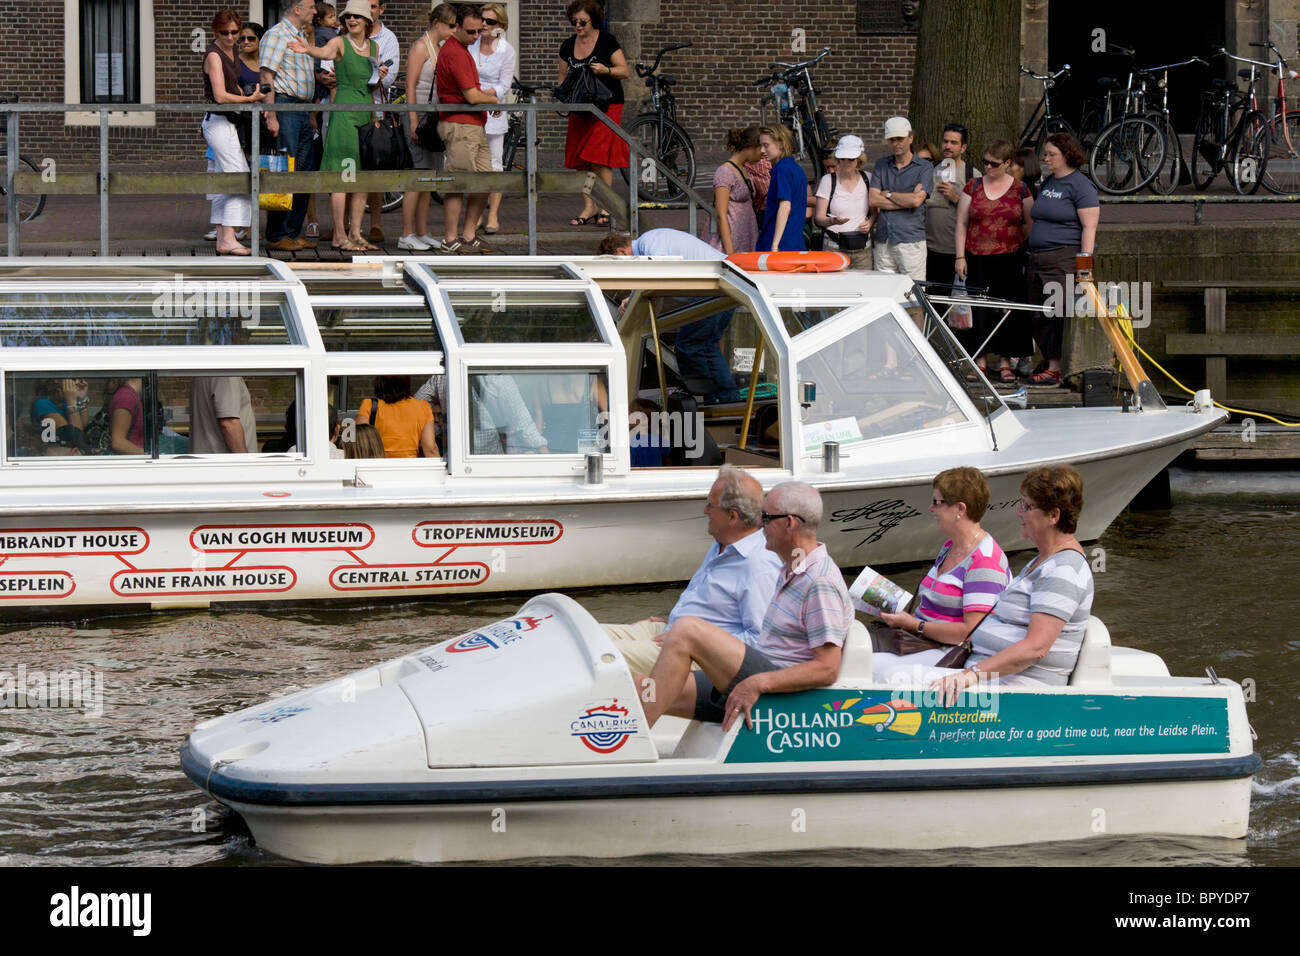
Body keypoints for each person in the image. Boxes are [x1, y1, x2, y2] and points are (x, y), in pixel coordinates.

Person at [636, 481, 854, 731]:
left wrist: (759, 683)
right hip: (761, 672)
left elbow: (827, 668)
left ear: (789, 523)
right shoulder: (791, 568)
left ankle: (632, 749)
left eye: (766, 517)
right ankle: (628, 748)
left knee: (686, 631)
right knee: (642, 686)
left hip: (779, 693)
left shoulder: (819, 582)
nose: (760, 525)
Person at [929, 464, 1095, 704]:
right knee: (883, 670)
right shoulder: (1041, 561)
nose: (1019, 513)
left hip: (1019, 692)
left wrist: (969, 676)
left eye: (1027, 506)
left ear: (1053, 516)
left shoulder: (1064, 570)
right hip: (992, 680)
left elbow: (1035, 648)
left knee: (891, 680)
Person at [602, 465, 782, 671]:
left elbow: (761, 641)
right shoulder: (722, 544)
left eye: (710, 506)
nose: (705, 511)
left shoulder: (758, 564)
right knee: (584, 633)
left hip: (697, 653)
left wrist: (693, 638)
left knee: (601, 654)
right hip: (672, 631)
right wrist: (676, 621)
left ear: (732, 517)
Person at [870, 467, 1010, 680]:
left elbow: (971, 632)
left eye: (937, 502)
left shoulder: (985, 561)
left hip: (949, 654)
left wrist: (914, 625)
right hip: (921, 641)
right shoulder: (949, 547)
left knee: (869, 668)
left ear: (960, 509)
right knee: (852, 651)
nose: (931, 508)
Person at [289, 0, 387, 253]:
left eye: (357, 16)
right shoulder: (339, 42)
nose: (351, 20)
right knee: (344, 176)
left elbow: (370, 83)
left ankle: (355, 233)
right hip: (344, 116)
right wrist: (307, 49)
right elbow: (324, 54)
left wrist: (380, 76)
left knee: (362, 177)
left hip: (366, 114)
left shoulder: (374, 47)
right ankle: (339, 235)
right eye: (348, 17)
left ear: (367, 21)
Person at [599, 229, 741, 404]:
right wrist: (634, 296)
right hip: (726, 285)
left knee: (688, 345)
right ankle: (727, 397)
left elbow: (660, 270)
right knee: (706, 345)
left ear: (620, 253)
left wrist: (633, 296)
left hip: (716, 287)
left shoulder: (648, 243)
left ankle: (714, 396)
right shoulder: (652, 240)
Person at [955, 138, 1034, 384]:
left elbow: (1029, 221)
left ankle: (1004, 361)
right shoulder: (973, 186)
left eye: (994, 164)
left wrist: (1019, 243)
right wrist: (959, 256)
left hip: (1009, 258)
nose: (988, 167)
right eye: (985, 162)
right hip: (976, 256)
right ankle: (979, 359)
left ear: (1007, 163)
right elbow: (961, 223)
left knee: (1006, 310)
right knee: (980, 310)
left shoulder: (1020, 189)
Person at [1026, 133, 1099, 386]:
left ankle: (1060, 367)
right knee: (1038, 313)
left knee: (1060, 314)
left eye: (1051, 154)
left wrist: (1084, 267)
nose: (1045, 159)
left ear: (1066, 155)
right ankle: (1050, 361)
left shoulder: (1080, 186)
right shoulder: (1048, 183)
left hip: (1064, 259)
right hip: (1038, 259)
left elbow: (1089, 227)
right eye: (1045, 154)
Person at [557, 0, 629, 227]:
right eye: (574, 21)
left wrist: (606, 70)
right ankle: (590, 207)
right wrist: (562, 100)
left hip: (607, 105)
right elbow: (562, 79)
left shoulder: (607, 41)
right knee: (581, 160)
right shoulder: (568, 46)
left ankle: (606, 205)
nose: (577, 26)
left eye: (582, 22)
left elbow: (624, 71)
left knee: (598, 156)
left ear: (594, 20)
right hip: (580, 108)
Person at [203, 8, 267, 256]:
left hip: (227, 121)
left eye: (234, 33)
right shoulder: (214, 55)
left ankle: (223, 238)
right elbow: (219, 96)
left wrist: (248, 95)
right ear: (214, 31)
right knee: (240, 177)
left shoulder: (230, 52)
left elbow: (232, 89)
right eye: (224, 33)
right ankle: (230, 236)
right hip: (220, 121)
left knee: (223, 178)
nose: (230, 38)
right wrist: (250, 99)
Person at [437, 4, 500, 255]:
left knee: (485, 180)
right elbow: (471, 96)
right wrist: (494, 99)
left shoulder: (461, 50)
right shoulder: (455, 52)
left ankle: (469, 235)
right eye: (471, 31)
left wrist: (485, 96)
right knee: (458, 182)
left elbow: (472, 93)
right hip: (460, 123)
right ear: (457, 27)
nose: (476, 36)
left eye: (479, 31)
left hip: (473, 123)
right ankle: (450, 239)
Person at [260, 0, 322, 252]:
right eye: (311, 7)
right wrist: (271, 114)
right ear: (297, 9)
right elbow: (266, 76)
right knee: (284, 170)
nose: (315, 11)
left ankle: (292, 232)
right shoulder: (276, 35)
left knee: (304, 171)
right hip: (285, 108)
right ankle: (277, 234)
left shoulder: (299, 36)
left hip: (301, 109)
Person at [400, 2, 457, 250]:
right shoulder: (421, 46)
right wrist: (413, 120)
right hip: (419, 115)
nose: (455, 30)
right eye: (451, 25)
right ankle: (405, 234)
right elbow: (410, 85)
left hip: (432, 117)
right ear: (437, 23)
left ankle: (421, 232)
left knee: (429, 177)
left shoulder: (439, 46)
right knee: (417, 173)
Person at [470, 3, 515, 237]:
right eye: (483, 20)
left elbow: (504, 85)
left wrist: (480, 93)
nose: (485, 25)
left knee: (495, 164)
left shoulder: (506, 50)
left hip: (493, 111)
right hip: (471, 111)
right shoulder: (471, 44)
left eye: (490, 21)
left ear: (501, 26)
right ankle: (475, 214)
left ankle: (493, 213)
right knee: (475, 165)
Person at [869, 116, 932, 285]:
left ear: (910, 137)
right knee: (884, 294)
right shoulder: (881, 165)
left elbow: (916, 202)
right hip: (884, 239)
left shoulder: (924, 167)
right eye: (892, 140)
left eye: (900, 139)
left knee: (914, 295)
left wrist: (888, 194)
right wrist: (906, 199)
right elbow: (873, 200)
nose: (896, 143)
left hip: (911, 241)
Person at [361, 0, 400, 243]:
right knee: (346, 164)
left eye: (373, 6)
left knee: (374, 165)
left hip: (375, 107)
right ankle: (342, 225)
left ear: (381, 9)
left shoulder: (388, 38)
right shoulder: (344, 35)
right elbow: (329, 73)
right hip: (346, 106)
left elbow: (388, 78)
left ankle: (375, 223)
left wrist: (363, 79)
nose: (369, 11)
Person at [813, 134, 874, 270]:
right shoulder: (828, 180)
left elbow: (875, 212)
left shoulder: (868, 179)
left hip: (862, 249)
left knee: (864, 289)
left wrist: (870, 222)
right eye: (842, 159)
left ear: (859, 159)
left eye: (851, 159)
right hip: (834, 248)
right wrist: (832, 221)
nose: (846, 163)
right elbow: (819, 218)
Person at [924, 122, 973, 285]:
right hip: (929, 250)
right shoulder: (929, 169)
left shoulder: (971, 174)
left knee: (959, 306)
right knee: (933, 302)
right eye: (945, 141)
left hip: (957, 252)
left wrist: (956, 198)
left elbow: (979, 213)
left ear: (963, 147)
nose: (948, 146)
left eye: (954, 143)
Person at [304, 6, 338, 239]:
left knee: (333, 167)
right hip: (311, 107)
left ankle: (338, 225)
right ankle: (312, 220)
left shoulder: (332, 38)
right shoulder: (326, 36)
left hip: (327, 107)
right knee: (309, 166)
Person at [703, 126, 762, 255]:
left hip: (745, 239)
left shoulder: (745, 169)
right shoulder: (725, 172)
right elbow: (721, 214)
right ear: (750, 147)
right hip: (731, 242)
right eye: (760, 148)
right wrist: (730, 253)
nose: (763, 152)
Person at [358, 375, 439, 457]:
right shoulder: (423, 407)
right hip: (410, 467)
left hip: (378, 466)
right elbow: (430, 449)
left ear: (379, 382)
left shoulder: (369, 405)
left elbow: (360, 445)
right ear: (406, 383)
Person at [755, 125, 806, 252]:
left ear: (781, 144)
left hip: (780, 242)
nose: (762, 150)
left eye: (766, 145)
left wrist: (775, 245)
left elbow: (785, 206)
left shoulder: (782, 170)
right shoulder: (795, 168)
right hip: (794, 240)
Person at [190, 376, 257, 454]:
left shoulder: (204, 371)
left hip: (211, 460)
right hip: (226, 463)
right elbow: (229, 424)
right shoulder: (226, 375)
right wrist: (245, 462)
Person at [31, 378, 90, 453]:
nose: (78, 382)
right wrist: (71, 402)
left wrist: (81, 399)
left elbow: (83, 427)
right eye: (74, 379)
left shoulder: (65, 402)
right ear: (56, 380)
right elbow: (76, 438)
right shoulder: (43, 404)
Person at [107, 377, 146, 455]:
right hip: (130, 462)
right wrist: (148, 455)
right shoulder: (126, 397)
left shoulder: (132, 395)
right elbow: (118, 443)